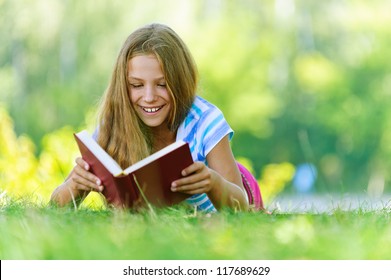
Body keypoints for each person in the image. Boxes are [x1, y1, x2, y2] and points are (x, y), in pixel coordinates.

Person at [50, 23, 264, 212]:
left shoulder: (205, 121)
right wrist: (74, 186)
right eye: (136, 85)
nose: (149, 97)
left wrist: (212, 182)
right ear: (123, 86)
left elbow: (242, 206)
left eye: (162, 84)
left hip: (237, 187)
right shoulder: (113, 123)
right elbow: (54, 207)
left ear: (180, 82)